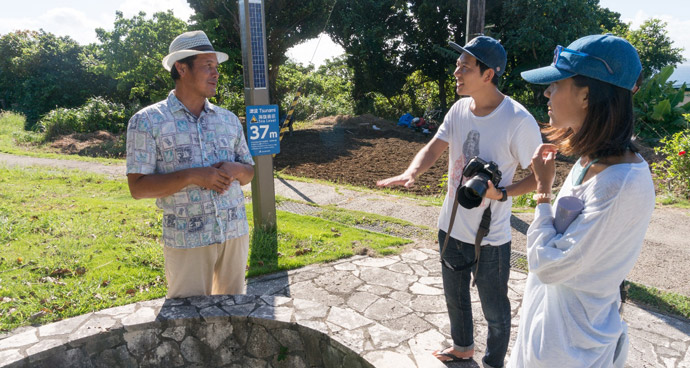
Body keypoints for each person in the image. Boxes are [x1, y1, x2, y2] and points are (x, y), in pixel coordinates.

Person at [377, 36, 542, 368]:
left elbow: (541, 176)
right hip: (450, 226)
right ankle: (463, 347)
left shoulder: (517, 120)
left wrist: (503, 193)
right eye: (458, 64)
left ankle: (493, 363)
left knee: (495, 308)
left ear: (488, 75)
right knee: (456, 297)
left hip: (491, 237)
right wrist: (412, 172)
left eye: (465, 67)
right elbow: (435, 147)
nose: (457, 71)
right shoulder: (457, 109)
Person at [507, 34, 655, 367]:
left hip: (571, 351)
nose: (547, 92)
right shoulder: (589, 160)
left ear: (586, 94)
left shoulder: (622, 184)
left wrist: (543, 192)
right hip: (548, 333)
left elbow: (548, 266)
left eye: (557, 83)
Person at [125, 30, 255, 299]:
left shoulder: (228, 119)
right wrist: (193, 175)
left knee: (233, 316)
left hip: (234, 232)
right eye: (208, 66)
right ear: (181, 68)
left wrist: (235, 170)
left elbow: (249, 171)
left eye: (216, 67)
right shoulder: (147, 121)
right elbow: (138, 188)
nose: (216, 73)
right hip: (187, 240)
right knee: (188, 326)